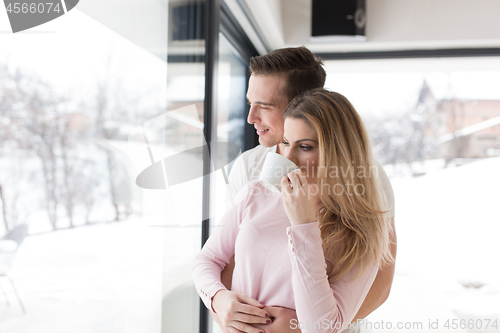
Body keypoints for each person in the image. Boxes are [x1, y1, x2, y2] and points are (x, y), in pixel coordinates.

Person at [215, 47, 397, 332]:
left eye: (264, 106)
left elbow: (381, 282)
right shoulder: (248, 168)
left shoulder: (364, 177)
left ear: (302, 104)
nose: (251, 117)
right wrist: (222, 306)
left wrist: (301, 326)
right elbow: (229, 257)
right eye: (250, 103)